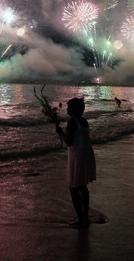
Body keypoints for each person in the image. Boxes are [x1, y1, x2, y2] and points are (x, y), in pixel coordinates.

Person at [55, 97, 96, 229]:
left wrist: (60, 132)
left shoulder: (72, 122)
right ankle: (84, 215)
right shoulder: (84, 121)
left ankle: (81, 218)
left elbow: (68, 142)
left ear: (72, 110)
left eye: (68, 107)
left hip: (76, 155)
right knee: (82, 186)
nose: (67, 109)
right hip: (85, 153)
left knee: (73, 187)